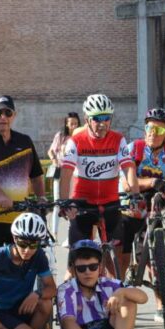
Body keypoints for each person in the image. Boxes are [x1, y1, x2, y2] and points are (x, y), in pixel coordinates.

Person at [120, 107, 165, 326]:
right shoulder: (133, 149)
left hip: (158, 205)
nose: (152, 132)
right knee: (124, 249)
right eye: (148, 127)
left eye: (158, 129)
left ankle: (162, 307)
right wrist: (151, 182)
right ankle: (119, 295)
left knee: (158, 256)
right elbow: (127, 184)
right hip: (133, 204)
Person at [57, 240, 148, 329]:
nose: (88, 272)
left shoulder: (110, 284)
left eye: (93, 267)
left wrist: (121, 292)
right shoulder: (66, 290)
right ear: (73, 270)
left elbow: (143, 298)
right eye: (81, 269)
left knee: (129, 301)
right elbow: (67, 322)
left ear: (100, 267)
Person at [59, 94, 140, 253]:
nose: (102, 123)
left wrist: (135, 194)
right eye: (97, 118)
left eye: (106, 118)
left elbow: (129, 167)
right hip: (83, 202)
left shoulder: (118, 139)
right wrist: (64, 202)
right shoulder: (76, 141)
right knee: (78, 258)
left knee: (117, 255)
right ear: (87, 119)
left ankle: (116, 278)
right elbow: (66, 173)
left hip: (110, 202)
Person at [0, 95, 46, 254]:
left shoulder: (25, 141)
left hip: (21, 218)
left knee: (24, 263)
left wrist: (42, 198)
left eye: (7, 113)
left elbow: (36, 175)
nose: (3, 117)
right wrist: (0, 196)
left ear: (14, 116)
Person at [0, 213, 56, 329]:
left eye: (33, 244)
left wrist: (37, 294)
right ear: (14, 238)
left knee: (45, 304)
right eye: (23, 243)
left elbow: (51, 288)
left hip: (18, 308)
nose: (27, 250)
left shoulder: (39, 256)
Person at [47, 112, 81, 239]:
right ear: (66, 124)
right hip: (60, 171)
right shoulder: (60, 136)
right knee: (58, 202)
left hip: (74, 174)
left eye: (76, 124)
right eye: (71, 123)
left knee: (71, 204)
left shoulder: (80, 137)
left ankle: (69, 235)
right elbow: (50, 151)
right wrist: (54, 160)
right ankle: (54, 235)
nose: (73, 126)